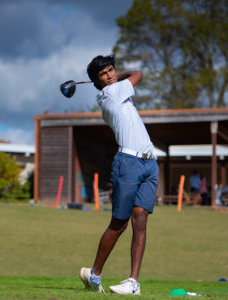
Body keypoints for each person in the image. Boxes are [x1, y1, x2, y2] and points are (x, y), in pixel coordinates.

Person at [79, 55, 158, 295]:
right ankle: (94, 275)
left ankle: (133, 282)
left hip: (149, 163)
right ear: (98, 82)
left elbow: (133, 77)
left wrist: (116, 77)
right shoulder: (110, 95)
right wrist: (120, 77)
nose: (110, 75)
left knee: (141, 219)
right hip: (128, 162)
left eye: (111, 70)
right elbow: (138, 75)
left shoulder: (118, 90)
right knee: (120, 222)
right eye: (104, 74)